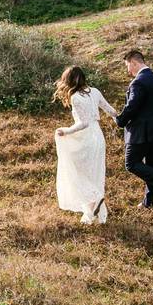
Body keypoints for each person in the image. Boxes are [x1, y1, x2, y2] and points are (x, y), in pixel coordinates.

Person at [114, 50, 153, 208]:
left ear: (134, 62)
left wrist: (119, 120)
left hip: (140, 132)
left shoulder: (138, 82)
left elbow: (132, 107)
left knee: (131, 164)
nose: (128, 71)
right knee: (152, 166)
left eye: (128, 66)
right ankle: (149, 202)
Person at [53, 65, 118, 224]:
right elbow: (111, 111)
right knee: (94, 172)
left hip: (86, 138)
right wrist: (122, 121)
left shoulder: (75, 97)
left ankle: (95, 198)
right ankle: (91, 211)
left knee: (78, 171)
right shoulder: (95, 91)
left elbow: (83, 124)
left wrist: (66, 131)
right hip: (99, 137)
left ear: (68, 80)